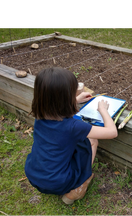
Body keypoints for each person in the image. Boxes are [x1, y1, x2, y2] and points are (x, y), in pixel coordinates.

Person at [25, 67, 117, 205]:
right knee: (91, 141)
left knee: (73, 144)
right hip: (58, 182)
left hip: (34, 174)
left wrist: (76, 100)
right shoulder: (74, 126)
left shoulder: (40, 115)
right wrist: (103, 111)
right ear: (65, 97)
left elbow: (55, 105)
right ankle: (78, 188)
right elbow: (112, 132)